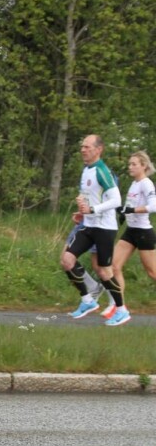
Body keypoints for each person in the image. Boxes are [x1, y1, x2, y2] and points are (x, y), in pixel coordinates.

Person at [61, 134, 126, 323]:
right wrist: (83, 213)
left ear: (98, 150)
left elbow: (116, 200)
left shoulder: (102, 171)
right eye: (82, 146)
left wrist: (93, 209)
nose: (83, 149)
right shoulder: (86, 169)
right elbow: (90, 196)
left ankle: (121, 309)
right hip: (89, 225)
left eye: (87, 147)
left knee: (104, 272)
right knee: (67, 260)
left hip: (104, 229)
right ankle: (87, 300)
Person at [109, 151, 156, 324]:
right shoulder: (134, 184)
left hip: (144, 233)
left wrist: (132, 211)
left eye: (134, 164)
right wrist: (124, 212)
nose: (130, 167)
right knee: (113, 266)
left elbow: (153, 206)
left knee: (152, 272)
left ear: (143, 165)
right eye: (129, 164)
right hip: (131, 231)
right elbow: (131, 205)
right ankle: (120, 308)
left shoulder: (146, 184)